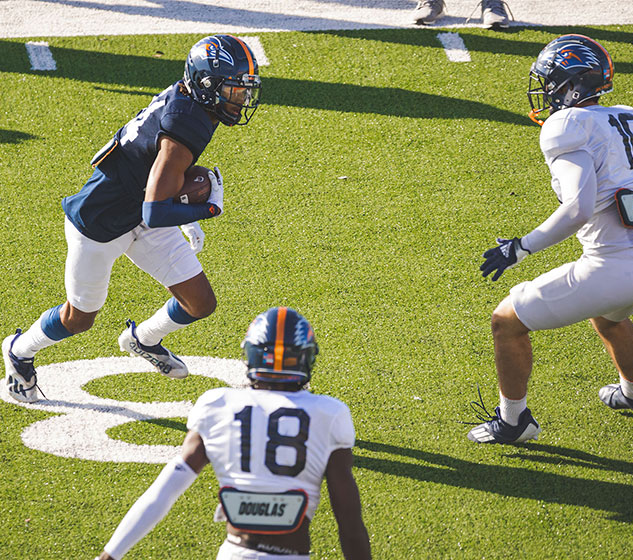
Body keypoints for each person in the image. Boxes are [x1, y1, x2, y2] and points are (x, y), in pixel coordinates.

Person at [3, 35, 262, 402]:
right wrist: (206, 209)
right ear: (207, 85)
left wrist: (183, 208)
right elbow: (155, 212)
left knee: (200, 302)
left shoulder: (194, 103)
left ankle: (144, 339)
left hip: (138, 210)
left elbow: (158, 173)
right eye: (234, 90)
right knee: (79, 318)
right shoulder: (185, 124)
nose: (240, 99)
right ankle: (19, 350)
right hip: (101, 223)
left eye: (243, 91)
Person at [468, 34, 633, 444]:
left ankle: (514, 421)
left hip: (612, 267)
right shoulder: (627, 116)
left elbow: (577, 209)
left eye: (551, 81)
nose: (545, 90)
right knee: (610, 318)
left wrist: (519, 247)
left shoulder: (567, 125)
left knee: (505, 321)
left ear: (571, 82)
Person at [95, 306, 372, 560]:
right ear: (306, 358)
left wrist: (110, 555)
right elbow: (349, 521)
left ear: (250, 354)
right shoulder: (329, 413)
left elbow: (165, 490)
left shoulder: (218, 404)